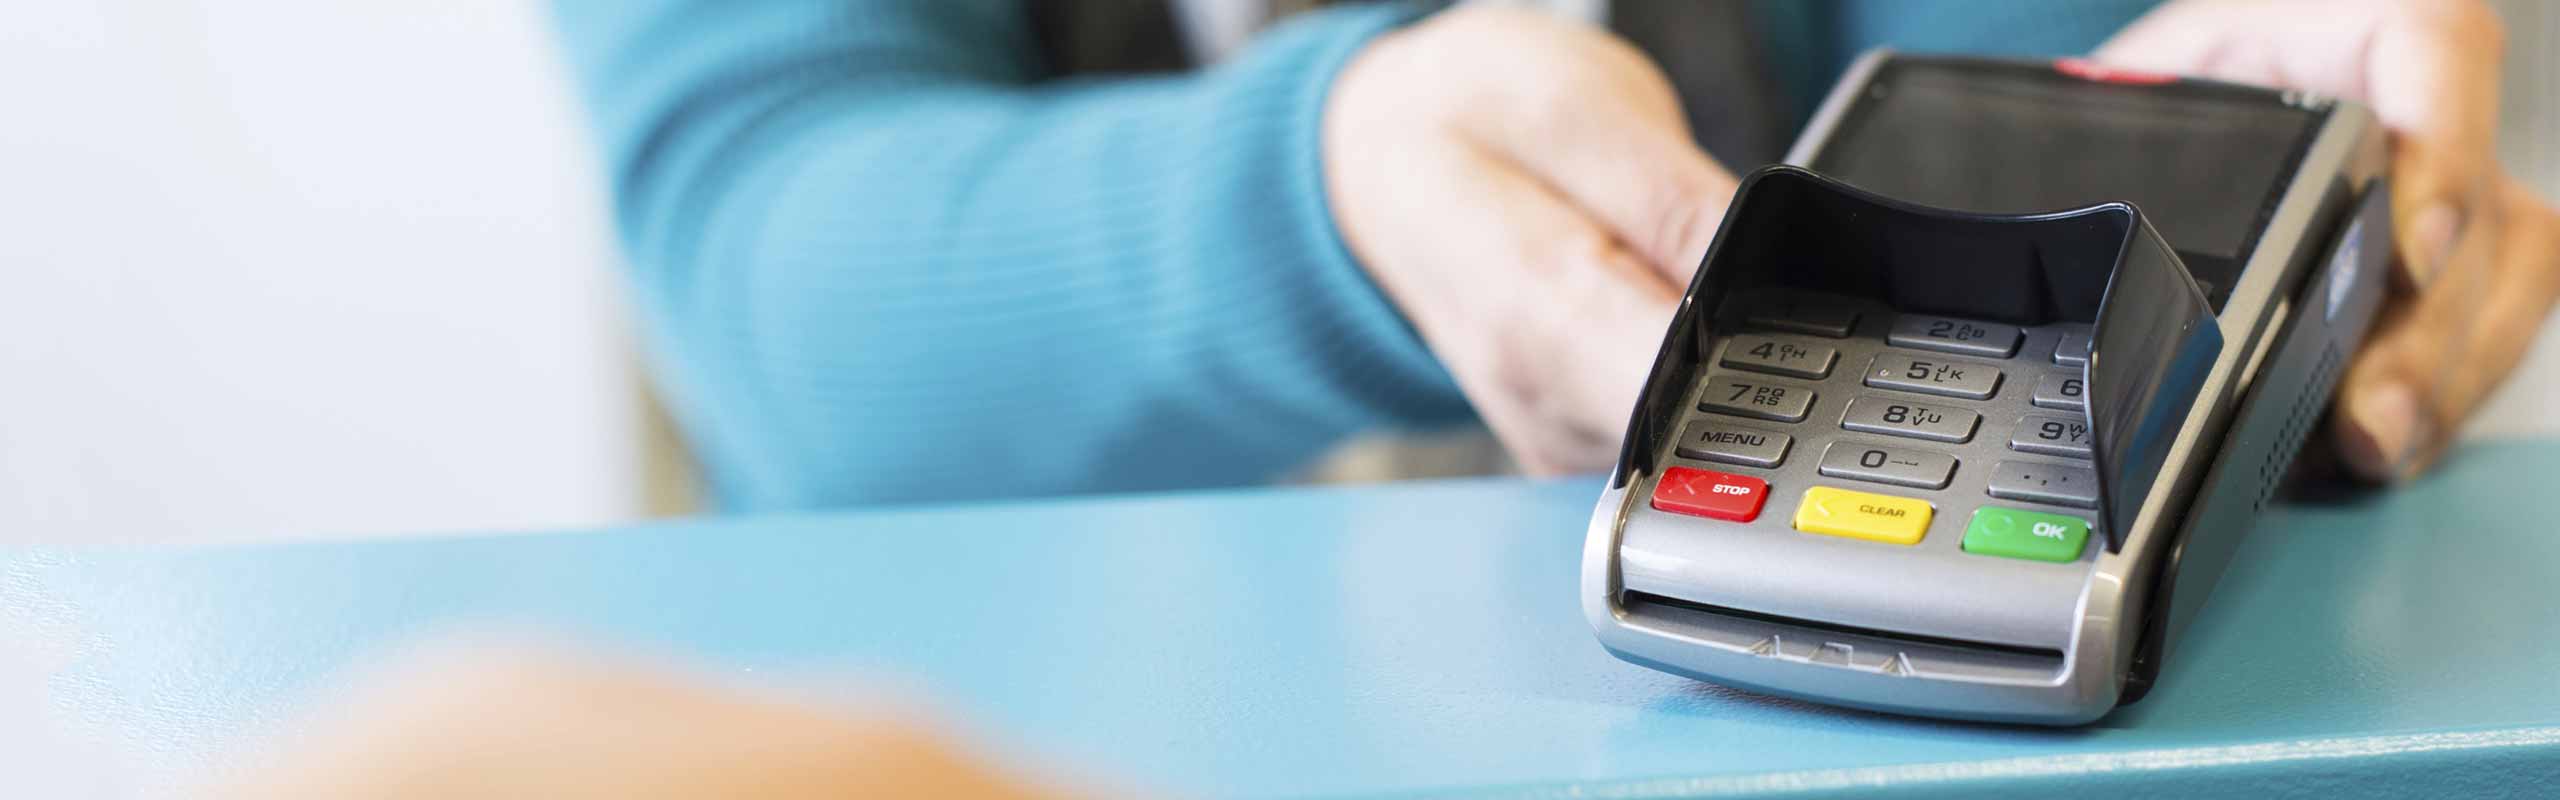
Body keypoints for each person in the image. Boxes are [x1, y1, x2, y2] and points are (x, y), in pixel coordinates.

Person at [222, 0, 2558, 795]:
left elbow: (2048, 70)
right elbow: (769, 240)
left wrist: (2272, 97)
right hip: (984, 704)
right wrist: (1327, 197)